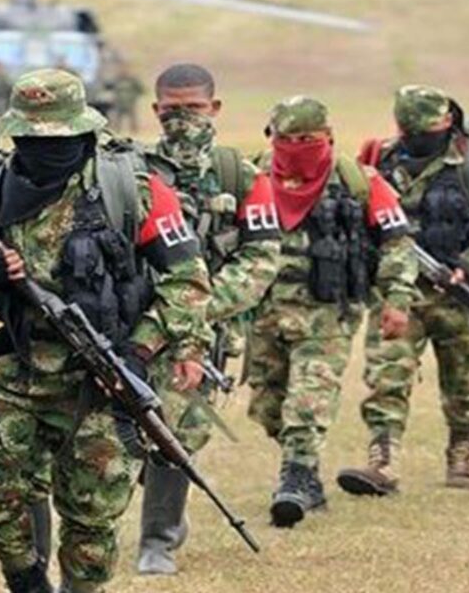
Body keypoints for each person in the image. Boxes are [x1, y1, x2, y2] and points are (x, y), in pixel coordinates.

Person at [0, 68, 213, 593]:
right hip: (11, 367)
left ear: (84, 133)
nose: (44, 149)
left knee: (92, 516)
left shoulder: (131, 187)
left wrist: (139, 352)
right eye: (32, 139)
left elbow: (188, 281)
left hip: (101, 378)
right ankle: (26, 576)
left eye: (57, 139)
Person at [339, 86, 469, 495]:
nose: (421, 135)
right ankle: (383, 462)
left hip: (458, 295)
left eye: (430, 127)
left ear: (449, 122)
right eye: (412, 128)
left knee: (467, 381)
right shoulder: (377, 160)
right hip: (398, 293)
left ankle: (462, 456)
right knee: (387, 375)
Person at [135, 63, 281, 575]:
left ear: (214, 108)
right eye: (171, 111)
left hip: (201, 330)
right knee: (116, 432)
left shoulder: (240, 174)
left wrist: (194, 306)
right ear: (155, 111)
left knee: (176, 431)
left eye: (193, 109)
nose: (182, 120)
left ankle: (158, 540)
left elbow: (261, 258)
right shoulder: (131, 168)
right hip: (130, 325)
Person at [246, 95, 419, 527]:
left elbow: (398, 244)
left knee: (308, 400)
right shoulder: (252, 176)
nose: (297, 146)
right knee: (269, 406)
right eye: (287, 138)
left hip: (329, 314)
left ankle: (295, 481)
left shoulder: (361, 181)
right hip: (266, 315)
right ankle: (308, 478)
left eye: (307, 138)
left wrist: (397, 300)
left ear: (328, 136)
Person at [107, 65, 145, 134]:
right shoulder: (117, 80)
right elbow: (108, 87)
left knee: (132, 119)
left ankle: (134, 132)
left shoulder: (132, 80)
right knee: (118, 119)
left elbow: (141, 89)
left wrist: (136, 96)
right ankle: (117, 131)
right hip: (119, 103)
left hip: (130, 103)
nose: (123, 73)